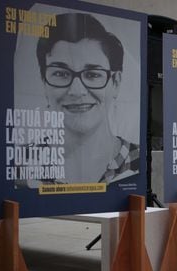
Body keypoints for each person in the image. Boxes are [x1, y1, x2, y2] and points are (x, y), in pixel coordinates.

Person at [35, 13, 139, 184]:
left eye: (92, 74)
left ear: (115, 82)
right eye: (61, 73)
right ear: (43, 82)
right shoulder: (20, 164)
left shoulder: (139, 163)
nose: (77, 91)